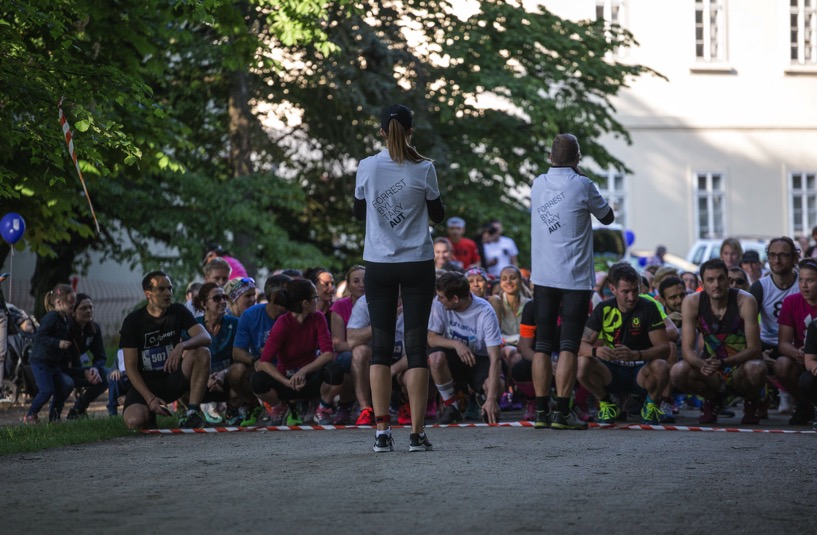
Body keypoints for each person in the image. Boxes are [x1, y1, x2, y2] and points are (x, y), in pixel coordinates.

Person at [353, 103, 444, 452]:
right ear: (410, 131)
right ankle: (417, 434)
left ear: (381, 132)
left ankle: (381, 432)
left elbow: (358, 212)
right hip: (417, 262)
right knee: (416, 347)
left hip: (379, 263)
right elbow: (438, 215)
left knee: (379, 347)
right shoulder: (424, 167)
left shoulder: (367, 166)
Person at [529, 133, 614, 429]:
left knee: (542, 345)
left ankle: (541, 412)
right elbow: (607, 217)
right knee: (568, 345)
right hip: (575, 278)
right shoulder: (583, 184)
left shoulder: (538, 184)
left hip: (542, 276)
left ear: (550, 158)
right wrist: (581, 175)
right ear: (578, 158)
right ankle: (562, 413)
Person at [670, 259, 767, 425]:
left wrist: (723, 363)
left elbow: (754, 349)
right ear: (701, 284)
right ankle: (713, 399)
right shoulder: (692, 302)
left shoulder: (745, 301)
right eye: (710, 280)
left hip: (740, 368)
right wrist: (702, 364)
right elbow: (687, 351)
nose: (716, 284)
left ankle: (751, 400)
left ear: (728, 280)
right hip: (711, 370)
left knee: (756, 368)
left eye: (720, 279)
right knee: (677, 372)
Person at [577, 263, 671, 424]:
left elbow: (665, 349)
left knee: (661, 366)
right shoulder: (603, 309)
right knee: (582, 363)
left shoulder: (649, 307)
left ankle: (651, 404)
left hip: (641, 370)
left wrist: (637, 355)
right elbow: (579, 345)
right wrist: (596, 351)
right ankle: (606, 402)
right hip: (610, 370)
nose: (632, 297)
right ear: (612, 289)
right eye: (625, 291)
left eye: (635, 290)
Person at [119, 271, 212, 430]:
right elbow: (131, 368)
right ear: (148, 294)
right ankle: (149, 412)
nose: (168, 293)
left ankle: (192, 413)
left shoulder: (178, 311)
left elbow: (205, 337)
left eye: (169, 288)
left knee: (202, 352)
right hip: (145, 384)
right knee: (135, 422)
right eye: (161, 289)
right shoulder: (133, 321)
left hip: (172, 378)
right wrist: (149, 399)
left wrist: (182, 346)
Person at [249, 279, 344, 425]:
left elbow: (328, 353)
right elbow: (265, 361)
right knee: (257, 380)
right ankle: (279, 408)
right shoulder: (283, 323)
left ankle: (323, 408)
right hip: (287, 379)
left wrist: (303, 371)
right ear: (305, 303)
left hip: (310, 377)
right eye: (315, 297)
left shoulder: (318, 318)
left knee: (335, 370)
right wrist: (286, 382)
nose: (317, 300)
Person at [427, 272, 503, 425]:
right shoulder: (439, 303)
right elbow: (431, 338)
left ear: (455, 299)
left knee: (497, 386)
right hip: (453, 356)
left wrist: (492, 398)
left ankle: (482, 399)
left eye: (442, 297)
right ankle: (451, 406)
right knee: (435, 358)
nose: (439, 300)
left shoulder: (485, 312)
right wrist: (456, 344)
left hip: (479, 358)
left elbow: (495, 358)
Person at [231, 274, 291, 425]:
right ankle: (258, 405)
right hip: (264, 367)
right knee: (236, 371)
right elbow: (237, 351)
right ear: (273, 297)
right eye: (286, 294)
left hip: (292, 366)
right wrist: (255, 359)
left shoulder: (295, 314)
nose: (290, 298)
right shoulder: (250, 315)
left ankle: (300, 406)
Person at [749, 237, 800, 410]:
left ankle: (798, 398)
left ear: (794, 258)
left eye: (783, 255)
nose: (777, 260)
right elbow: (746, 326)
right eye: (772, 255)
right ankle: (760, 399)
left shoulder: (804, 284)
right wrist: (757, 353)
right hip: (768, 344)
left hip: (797, 344)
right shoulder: (759, 287)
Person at [189, 282, 239, 425]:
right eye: (217, 298)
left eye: (224, 297)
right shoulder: (193, 327)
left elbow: (241, 357)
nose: (223, 301)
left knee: (242, 371)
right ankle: (192, 413)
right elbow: (187, 360)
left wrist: (223, 374)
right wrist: (205, 380)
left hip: (227, 380)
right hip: (199, 382)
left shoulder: (235, 323)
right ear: (204, 304)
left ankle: (233, 410)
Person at [25, 284, 76, 423]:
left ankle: (54, 417)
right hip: (41, 361)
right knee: (46, 391)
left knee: (63, 388)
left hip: (53, 363)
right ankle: (30, 415)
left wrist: (68, 357)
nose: (73, 305)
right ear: (59, 302)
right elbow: (39, 336)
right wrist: (58, 343)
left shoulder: (65, 319)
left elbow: (66, 341)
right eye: (70, 302)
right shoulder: (51, 317)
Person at [776, 258, 817, 425]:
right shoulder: (791, 302)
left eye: (810, 280)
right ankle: (803, 403)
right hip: (801, 357)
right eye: (801, 280)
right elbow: (783, 343)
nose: (804, 285)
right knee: (782, 364)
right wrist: (796, 352)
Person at [64, 293, 110, 419]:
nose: (89, 311)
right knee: (65, 382)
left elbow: (100, 356)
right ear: (73, 312)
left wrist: (95, 368)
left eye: (90, 307)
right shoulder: (66, 329)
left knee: (106, 375)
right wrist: (83, 372)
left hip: (79, 369)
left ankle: (79, 408)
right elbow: (62, 364)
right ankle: (54, 415)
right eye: (83, 308)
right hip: (63, 370)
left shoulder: (94, 329)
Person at [330, 265, 366, 424]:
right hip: (349, 352)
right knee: (349, 358)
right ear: (349, 285)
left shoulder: (378, 303)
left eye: (365, 281)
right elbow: (338, 344)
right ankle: (345, 404)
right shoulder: (339, 306)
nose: (361, 285)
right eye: (356, 281)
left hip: (371, 351)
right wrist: (359, 345)